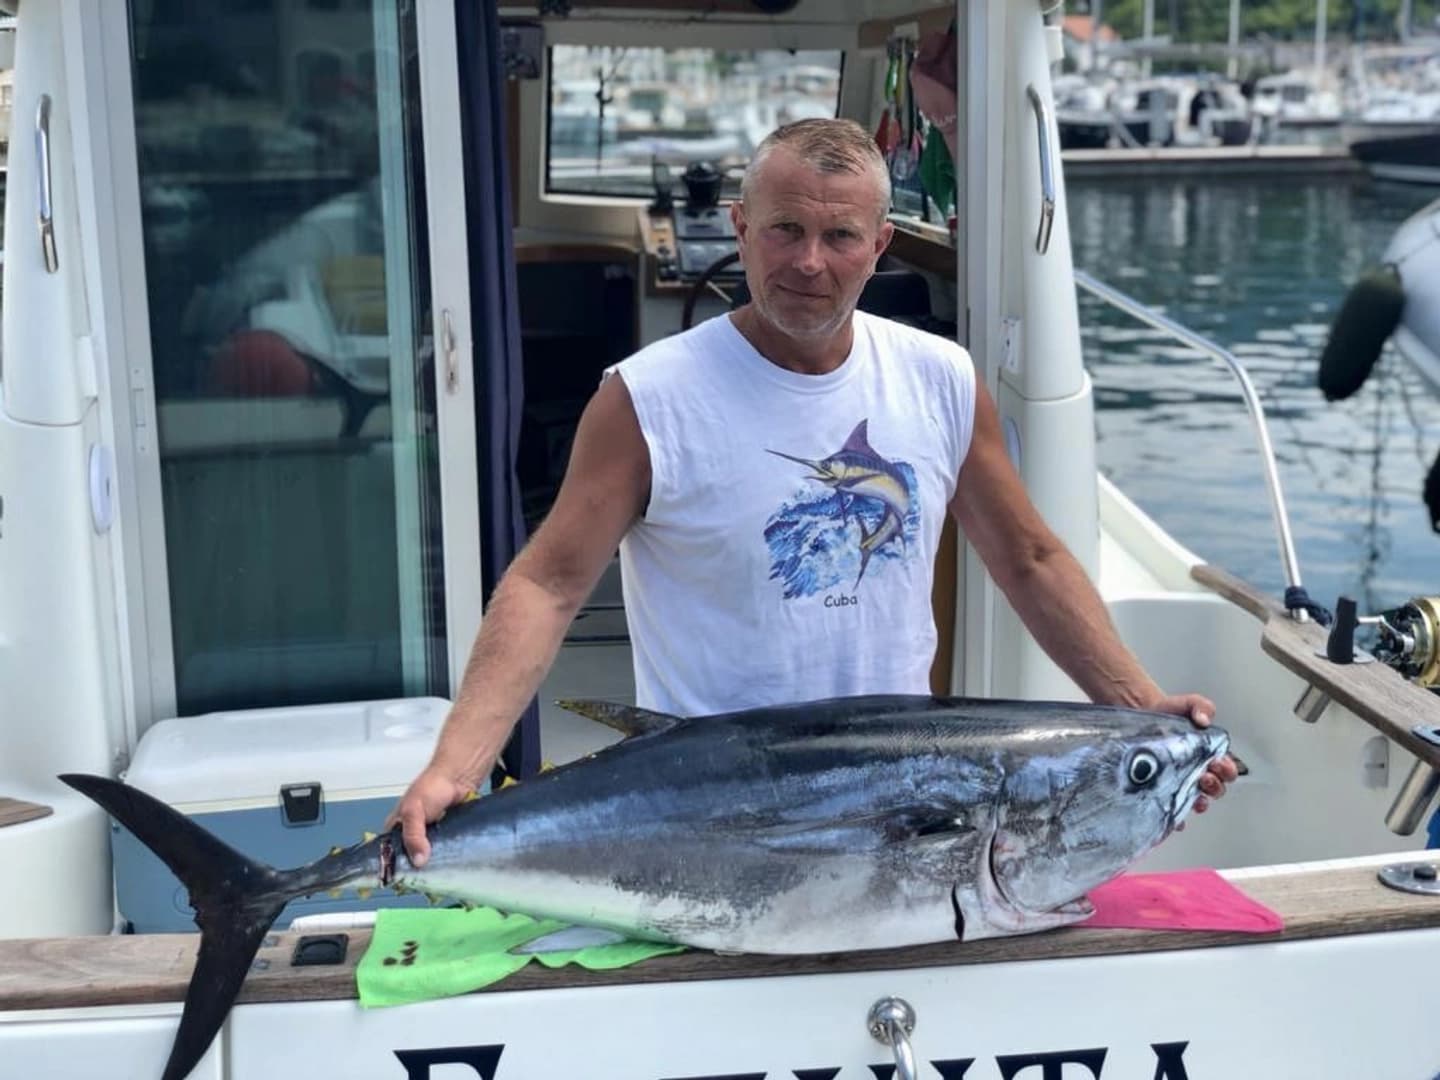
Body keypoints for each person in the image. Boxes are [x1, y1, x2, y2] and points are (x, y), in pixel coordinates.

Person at [391, 117, 1237, 866]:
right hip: (708, 804)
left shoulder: (941, 378)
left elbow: (1029, 556)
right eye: (785, 229)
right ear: (740, 226)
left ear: (880, 245)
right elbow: (548, 582)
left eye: (839, 237)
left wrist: (1140, 709)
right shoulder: (646, 399)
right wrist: (456, 768)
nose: (808, 261)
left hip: (903, 805)